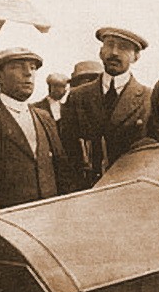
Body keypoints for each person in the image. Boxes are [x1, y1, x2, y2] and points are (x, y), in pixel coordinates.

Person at [0, 48, 75, 208]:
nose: (28, 73)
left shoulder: (44, 118)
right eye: (17, 66)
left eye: (33, 67)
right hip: (8, 218)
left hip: (51, 214)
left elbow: (62, 172)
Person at [60, 27, 152, 189]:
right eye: (109, 45)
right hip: (86, 191)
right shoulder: (77, 97)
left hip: (132, 190)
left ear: (135, 57)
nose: (114, 52)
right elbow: (66, 152)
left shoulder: (150, 99)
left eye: (123, 47)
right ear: (101, 52)